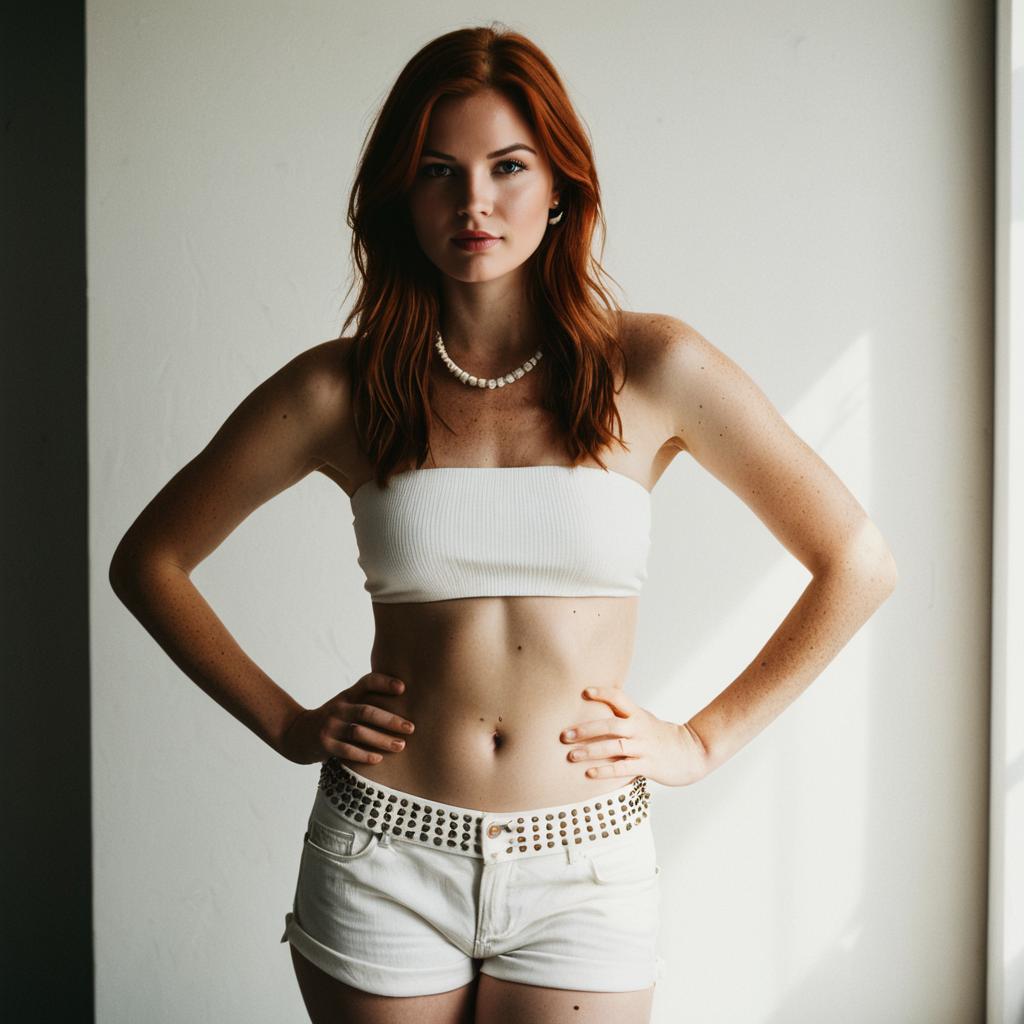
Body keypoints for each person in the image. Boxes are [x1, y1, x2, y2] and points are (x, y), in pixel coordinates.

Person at [108, 23, 898, 1024]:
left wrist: (700, 741)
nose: (473, 202)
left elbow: (855, 560)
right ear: (402, 195)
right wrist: (286, 723)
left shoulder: (654, 367)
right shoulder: (338, 390)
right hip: (381, 849)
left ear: (560, 185)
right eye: (439, 171)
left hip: (587, 863)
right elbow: (153, 560)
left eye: (507, 167)